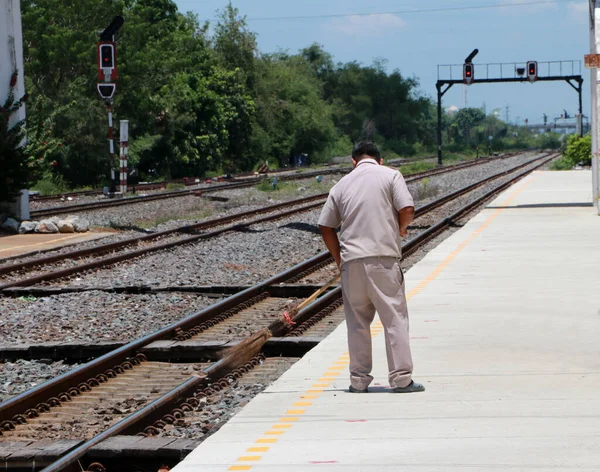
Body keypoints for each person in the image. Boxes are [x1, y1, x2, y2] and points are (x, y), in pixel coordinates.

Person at [318, 141, 424, 394]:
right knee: (394, 319)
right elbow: (407, 208)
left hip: (352, 262)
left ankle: (358, 381)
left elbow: (325, 226)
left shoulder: (341, 185)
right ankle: (400, 379)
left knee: (357, 323)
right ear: (381, 160)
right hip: (383, 260)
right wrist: (400, 228)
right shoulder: (391, 175)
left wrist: (339, 259)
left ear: (353, 161)